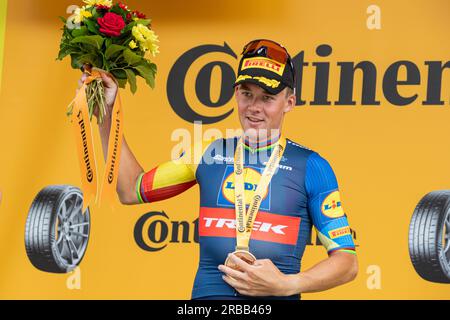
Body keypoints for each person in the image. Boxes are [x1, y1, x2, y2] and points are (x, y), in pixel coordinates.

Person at [77, 39, 358, 300]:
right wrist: (106, 111)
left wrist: (289, 283)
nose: (254, 107)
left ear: (289, 102)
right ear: (236, 94)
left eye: (268, 97)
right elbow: (131, 189)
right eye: (247, 94)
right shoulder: (209, 153)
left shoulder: (310, 166)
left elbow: (346, 262)